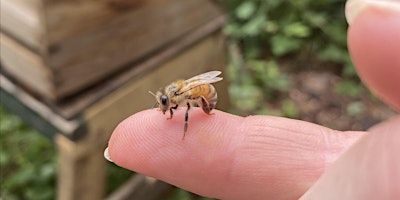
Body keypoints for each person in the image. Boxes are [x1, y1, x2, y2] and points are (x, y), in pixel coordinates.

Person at [105, 0, 400, 199]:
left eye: (165, 105)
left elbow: (198, 94)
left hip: (204, 94)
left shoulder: (183, 97)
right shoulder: (175, 94)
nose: (164, 108)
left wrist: (190, 119)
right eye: (164, 106)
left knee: (198, 104)